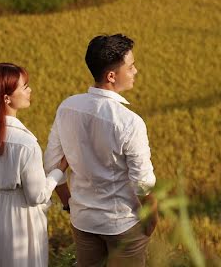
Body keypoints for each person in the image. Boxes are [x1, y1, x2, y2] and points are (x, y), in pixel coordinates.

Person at [44, 34, 158, 267]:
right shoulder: (129, 122)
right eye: (131, 66)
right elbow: (143, 183)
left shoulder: (67, 107)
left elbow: (51, 165)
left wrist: (69, 203)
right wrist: (152, 219)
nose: (135, 71)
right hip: (123, 224)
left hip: (83, 221)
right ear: (111, 76)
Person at [0, 62, 68, 267]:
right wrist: (59, 171)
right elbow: (37, 196)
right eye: (24, 87)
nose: (29, 90)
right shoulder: (26, 143)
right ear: (7, 98)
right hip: (19, 216)